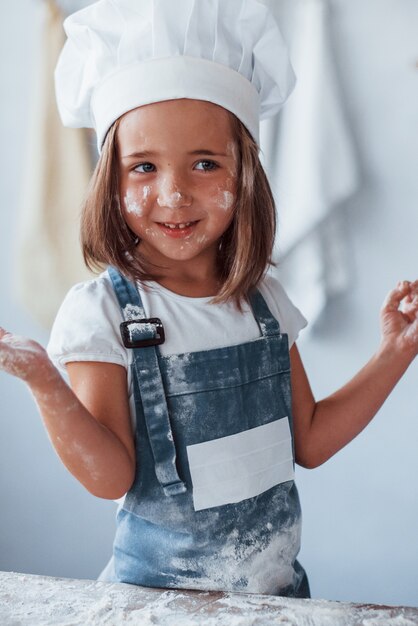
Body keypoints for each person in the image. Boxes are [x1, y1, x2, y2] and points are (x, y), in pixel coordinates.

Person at [1, 0, 418, 599]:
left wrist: (395, 352)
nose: (174, 193)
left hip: (275, 601)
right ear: (109, 181)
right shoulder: (106, 313)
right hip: (158, 604)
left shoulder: (264, 302)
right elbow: (109, 476)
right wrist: (45, 381)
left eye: (204, 163)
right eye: (143, 166)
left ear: (243, 173)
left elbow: (312, 440)